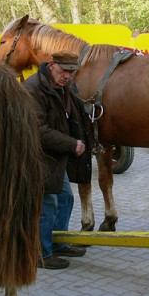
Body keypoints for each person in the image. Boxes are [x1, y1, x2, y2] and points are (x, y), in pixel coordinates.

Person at [24, 51, 91, 269]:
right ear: (52, 65)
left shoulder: (63, 86)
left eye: (72, 72)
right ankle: (41, 253)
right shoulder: (33, 88)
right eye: (64, 71)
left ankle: (58, 242)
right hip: (36, 155)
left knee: (65, 199)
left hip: (54, 155)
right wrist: (72, 144)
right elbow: (38, 130)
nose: (68, 76)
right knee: (48, 204)